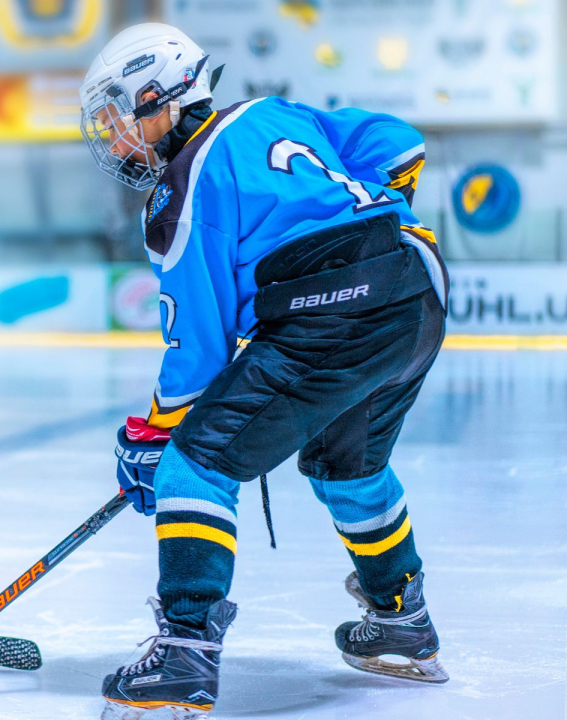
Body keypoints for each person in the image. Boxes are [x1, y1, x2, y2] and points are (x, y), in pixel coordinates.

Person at [80, 24, 450, 719]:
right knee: (349, 467)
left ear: (160, 97)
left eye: (117, 116)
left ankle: (185, 652)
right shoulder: (273, 113)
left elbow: (198, 357)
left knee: (195, 465)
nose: (114, 137)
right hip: (417, 286)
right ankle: (402, 619)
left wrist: (154, 438)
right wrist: (361, 218)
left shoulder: (179, 192)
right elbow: (399, 144)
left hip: (334, 307)